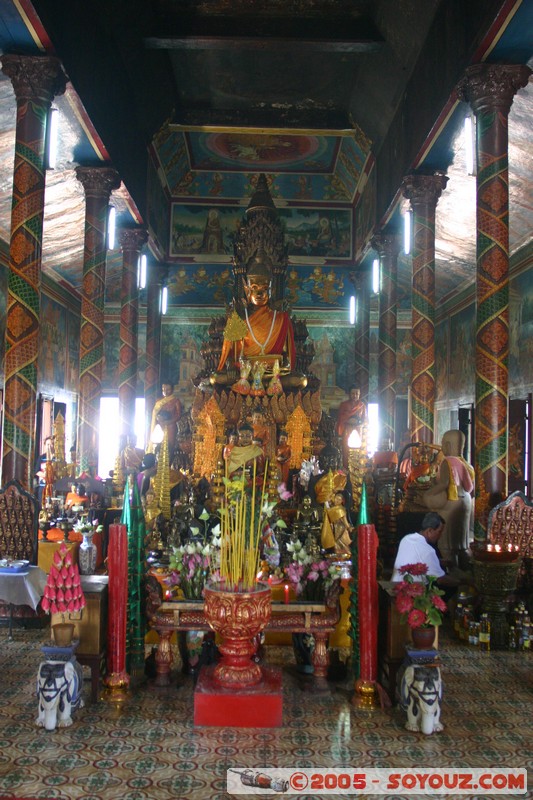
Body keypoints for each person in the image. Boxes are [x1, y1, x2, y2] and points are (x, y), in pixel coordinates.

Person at [216, 248, 296, 373]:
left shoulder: (280, 319)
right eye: (254, 287)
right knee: (216, 379)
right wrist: (230, 366)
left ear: (271, 291)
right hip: (244, 370)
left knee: (299, 380)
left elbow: (286, 357)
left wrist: (283, 366)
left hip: (273, 372)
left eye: (264, 288)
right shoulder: (239, 317)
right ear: (247, 290)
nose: (259, 293)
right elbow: (231, 353)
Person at [413, 429, 475, 565]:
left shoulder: (447, 462)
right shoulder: (466, 464)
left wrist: (429, 493)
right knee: (461, 543)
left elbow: (444, 484)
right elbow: (470, 487)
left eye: (443, 444)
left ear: (448, 445)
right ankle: (466, 568)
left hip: (451, 503)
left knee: (447, 544)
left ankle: (452, 570)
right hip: (465, 501)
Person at [391, 512, 460, 597]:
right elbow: (441, 579)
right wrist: (462, 581)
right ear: (429, 531)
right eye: (439, 532)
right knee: (450, 587)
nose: (440, 536)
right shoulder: (428, 550)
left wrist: (440, 562)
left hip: (396, 586)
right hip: (411, 594)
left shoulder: (407, 539)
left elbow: (419, 559)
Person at [147, 381, 183, 456]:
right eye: (164, 390)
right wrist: (158, 417)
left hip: (171, 426)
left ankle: (169, 460)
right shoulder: (159, 401)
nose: (165, 392)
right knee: (159, 445)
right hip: (160, 425)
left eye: (168, 390)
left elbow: (178, 415)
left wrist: (169, 422)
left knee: (169, 445)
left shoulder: (176, 401)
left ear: (172, 390)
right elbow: (155, 413)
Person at [336, 385, 367, 468]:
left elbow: (365, 420)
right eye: (353, 393)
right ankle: (346, 468)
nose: (355, 395)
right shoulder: (344, 405)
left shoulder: (362, 406)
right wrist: (348, 420)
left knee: (359, 451)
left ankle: (357, 469)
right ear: (349, 394)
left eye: (357, 394)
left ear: (359, 394)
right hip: (347, 430)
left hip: (358, 430)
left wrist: (358, 422)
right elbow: (340, 418)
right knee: (346, 449)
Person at [321, 490, 353, 557]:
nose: (337, 501)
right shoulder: (333, 508)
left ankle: (344, 556)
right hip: (333, 528)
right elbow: (327, 509)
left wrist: (348, 527)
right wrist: (331, 494)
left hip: (341, 528)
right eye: (336, 498)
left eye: (339, 499)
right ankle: (337, 556)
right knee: (335, 543)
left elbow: (344, 520)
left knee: (340, 542)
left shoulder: (341, 509)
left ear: (342, 501)